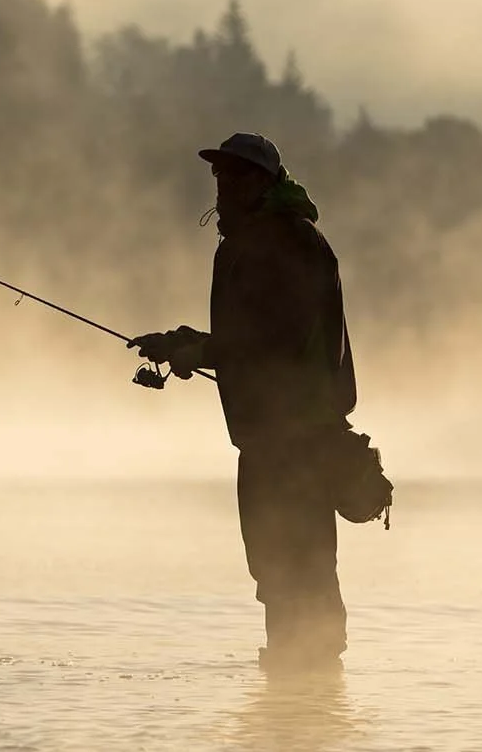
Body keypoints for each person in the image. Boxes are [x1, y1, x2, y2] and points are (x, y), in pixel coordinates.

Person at [130, 132, 367, 672]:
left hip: (298, 434)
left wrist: (200, 351)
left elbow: (273, 340)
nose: (223, 184)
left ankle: (309, 677)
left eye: (236, 175)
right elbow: (246, 336)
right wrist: (183, 343)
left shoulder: (288, 243)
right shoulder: (252, 241)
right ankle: (295, 685)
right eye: (219, 174)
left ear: (264, 181)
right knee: (274, 562)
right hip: (266, 435)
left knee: (298, 562)